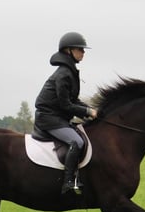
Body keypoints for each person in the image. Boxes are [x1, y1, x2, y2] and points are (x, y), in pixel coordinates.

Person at [34, 31, 98, 194]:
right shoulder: (63, 74)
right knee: (77, 142)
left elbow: (73, 101)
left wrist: (91, 111)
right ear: (68, 50)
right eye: (80, 49)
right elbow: (65, 105)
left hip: (58, 118)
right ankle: (68, 182)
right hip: (49, 119)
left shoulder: (69, 72)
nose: (83, 53)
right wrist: (87, 111)